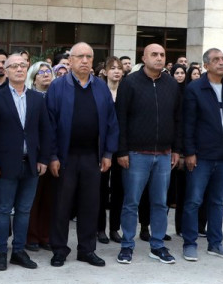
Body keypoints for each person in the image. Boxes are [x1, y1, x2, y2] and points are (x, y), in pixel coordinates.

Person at [44, 42, 115, 268]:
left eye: (89, 57)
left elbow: (111, 122)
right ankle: (59, 249)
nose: (84, 61)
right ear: (71, 60)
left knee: (90, 205)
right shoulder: (58, 86)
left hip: (92, 157)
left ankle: (87, 249)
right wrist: (52, 156)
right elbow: (49, 124)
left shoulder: (101, 87)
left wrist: (108, 153)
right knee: (61, 206)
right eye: (80, 56)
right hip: (65, 157)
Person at [114, 43, 180, 265]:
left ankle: (158, 245)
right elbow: (120, 119)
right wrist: (122, 151)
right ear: (143, 57)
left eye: (162, 54)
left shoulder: (171, 84)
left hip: (164, 154)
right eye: (154, 54)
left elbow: (178, 118)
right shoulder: (130, 83)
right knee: (131, 202)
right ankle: (127, 245)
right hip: (136, 154)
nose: (159, 58)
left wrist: (176, 149)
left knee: (160, 203)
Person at [0, 53, 52, 271]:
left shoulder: (36, 98)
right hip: (5, 164)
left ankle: (18, 251)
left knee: (24, 210)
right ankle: (1, 252)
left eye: (23, 65)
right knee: (3, 209)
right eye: (14, 66)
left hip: (31, 163)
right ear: (5, 71)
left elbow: (45, 131)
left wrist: (43, 159)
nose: (19, 69)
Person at [180, 48, 223, 261]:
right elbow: (188, 123)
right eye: (216, 59)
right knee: (194, 201)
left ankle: (215, 243)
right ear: (206, 65)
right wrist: (189, 152)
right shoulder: (195, 88)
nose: (221, 62)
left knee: (217, 202)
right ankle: (190, 243)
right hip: (201, 156)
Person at [25, 59, 57, 252]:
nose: (46, 75)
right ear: (33, 77)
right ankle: (31, 236)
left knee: (49, 198)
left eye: (48, 72)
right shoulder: (29, 96)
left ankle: (46, 235)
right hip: (34, 154)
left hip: (54, 153)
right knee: (32, 198)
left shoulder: (57, 95)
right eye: (41, 72)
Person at [98, 56, 125, 244]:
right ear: (105, 71)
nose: (116, 71)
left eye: (119, 68)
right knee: (100, 189)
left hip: (121, 148)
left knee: (118, 189)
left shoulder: (125, 92)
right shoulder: (100, 91)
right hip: (102, 147)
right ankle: (100, 228)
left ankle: (115, 228)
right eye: (113, 68)